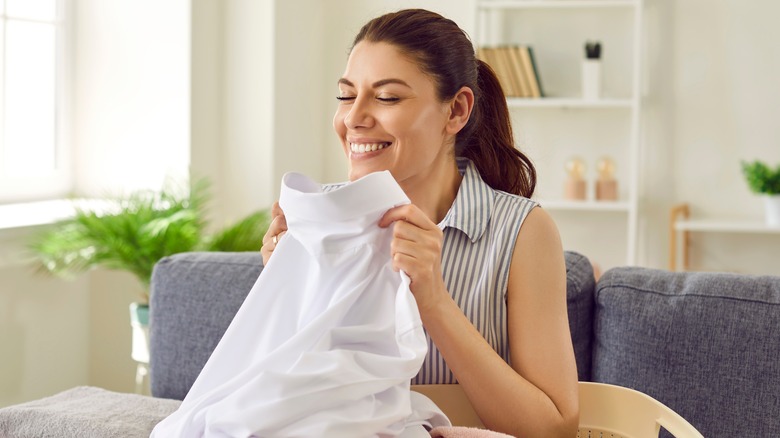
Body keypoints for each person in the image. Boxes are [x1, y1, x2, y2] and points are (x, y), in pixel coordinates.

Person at [261, 9, 579, 437]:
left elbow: (552, 429)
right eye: (345, 95)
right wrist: (283, 287)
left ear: (456, 111)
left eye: (387, 97)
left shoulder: (521, 231)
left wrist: (432, 299)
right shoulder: (320, 215)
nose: (354, 117)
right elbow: (279, 397)